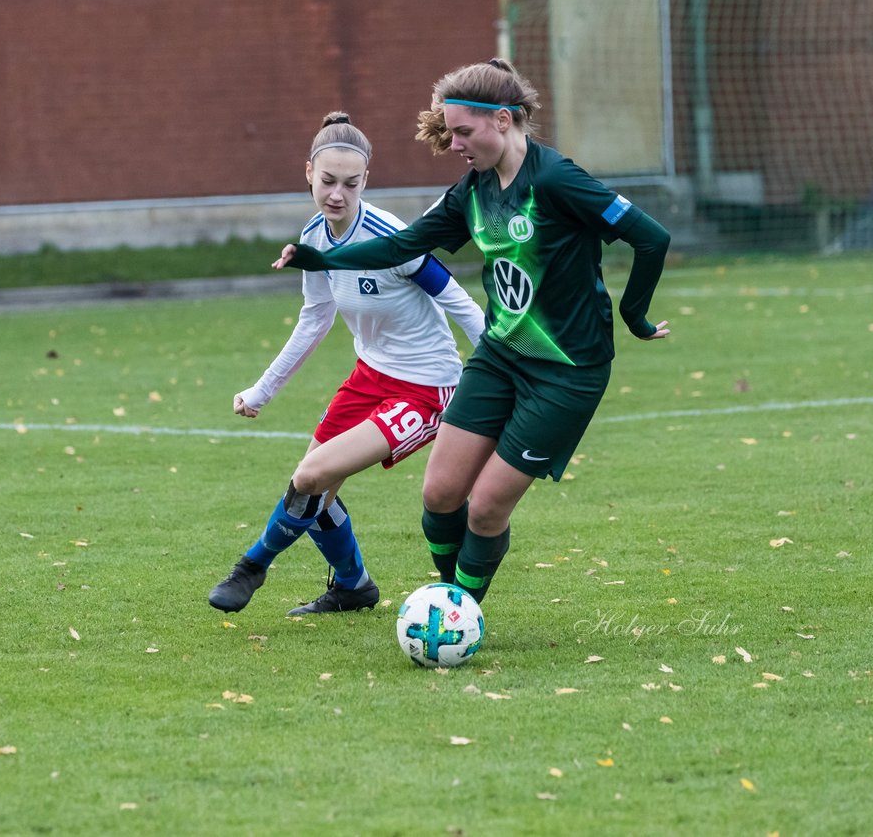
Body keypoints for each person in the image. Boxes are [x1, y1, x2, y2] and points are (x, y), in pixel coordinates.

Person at [274, 60, 671, 606]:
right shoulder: (473, 190)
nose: (453, 143)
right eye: (451, 131)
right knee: (439, 495)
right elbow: (399, 247)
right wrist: (320, 257)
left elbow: (651, 238)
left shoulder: (556, 180)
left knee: (485, 508)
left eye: (463, 131)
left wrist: (635, 316)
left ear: (503, 120)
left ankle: (460, 610)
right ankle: (449, 597)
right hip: (500, 357)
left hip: (566, 374)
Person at [209, 111, 485, 615]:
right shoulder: (314, 237)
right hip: (368, 376)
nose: (337, 193)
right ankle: (354, 586)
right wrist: (262, 390)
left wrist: (500, 369)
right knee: (316, 489)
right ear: (309, 172)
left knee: (312, 477)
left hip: (426, 387)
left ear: (365, 182)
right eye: (329, 181)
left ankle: (252, 567)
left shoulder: (391, 239)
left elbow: (460, 302)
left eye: (351, 184)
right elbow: (314, 320)